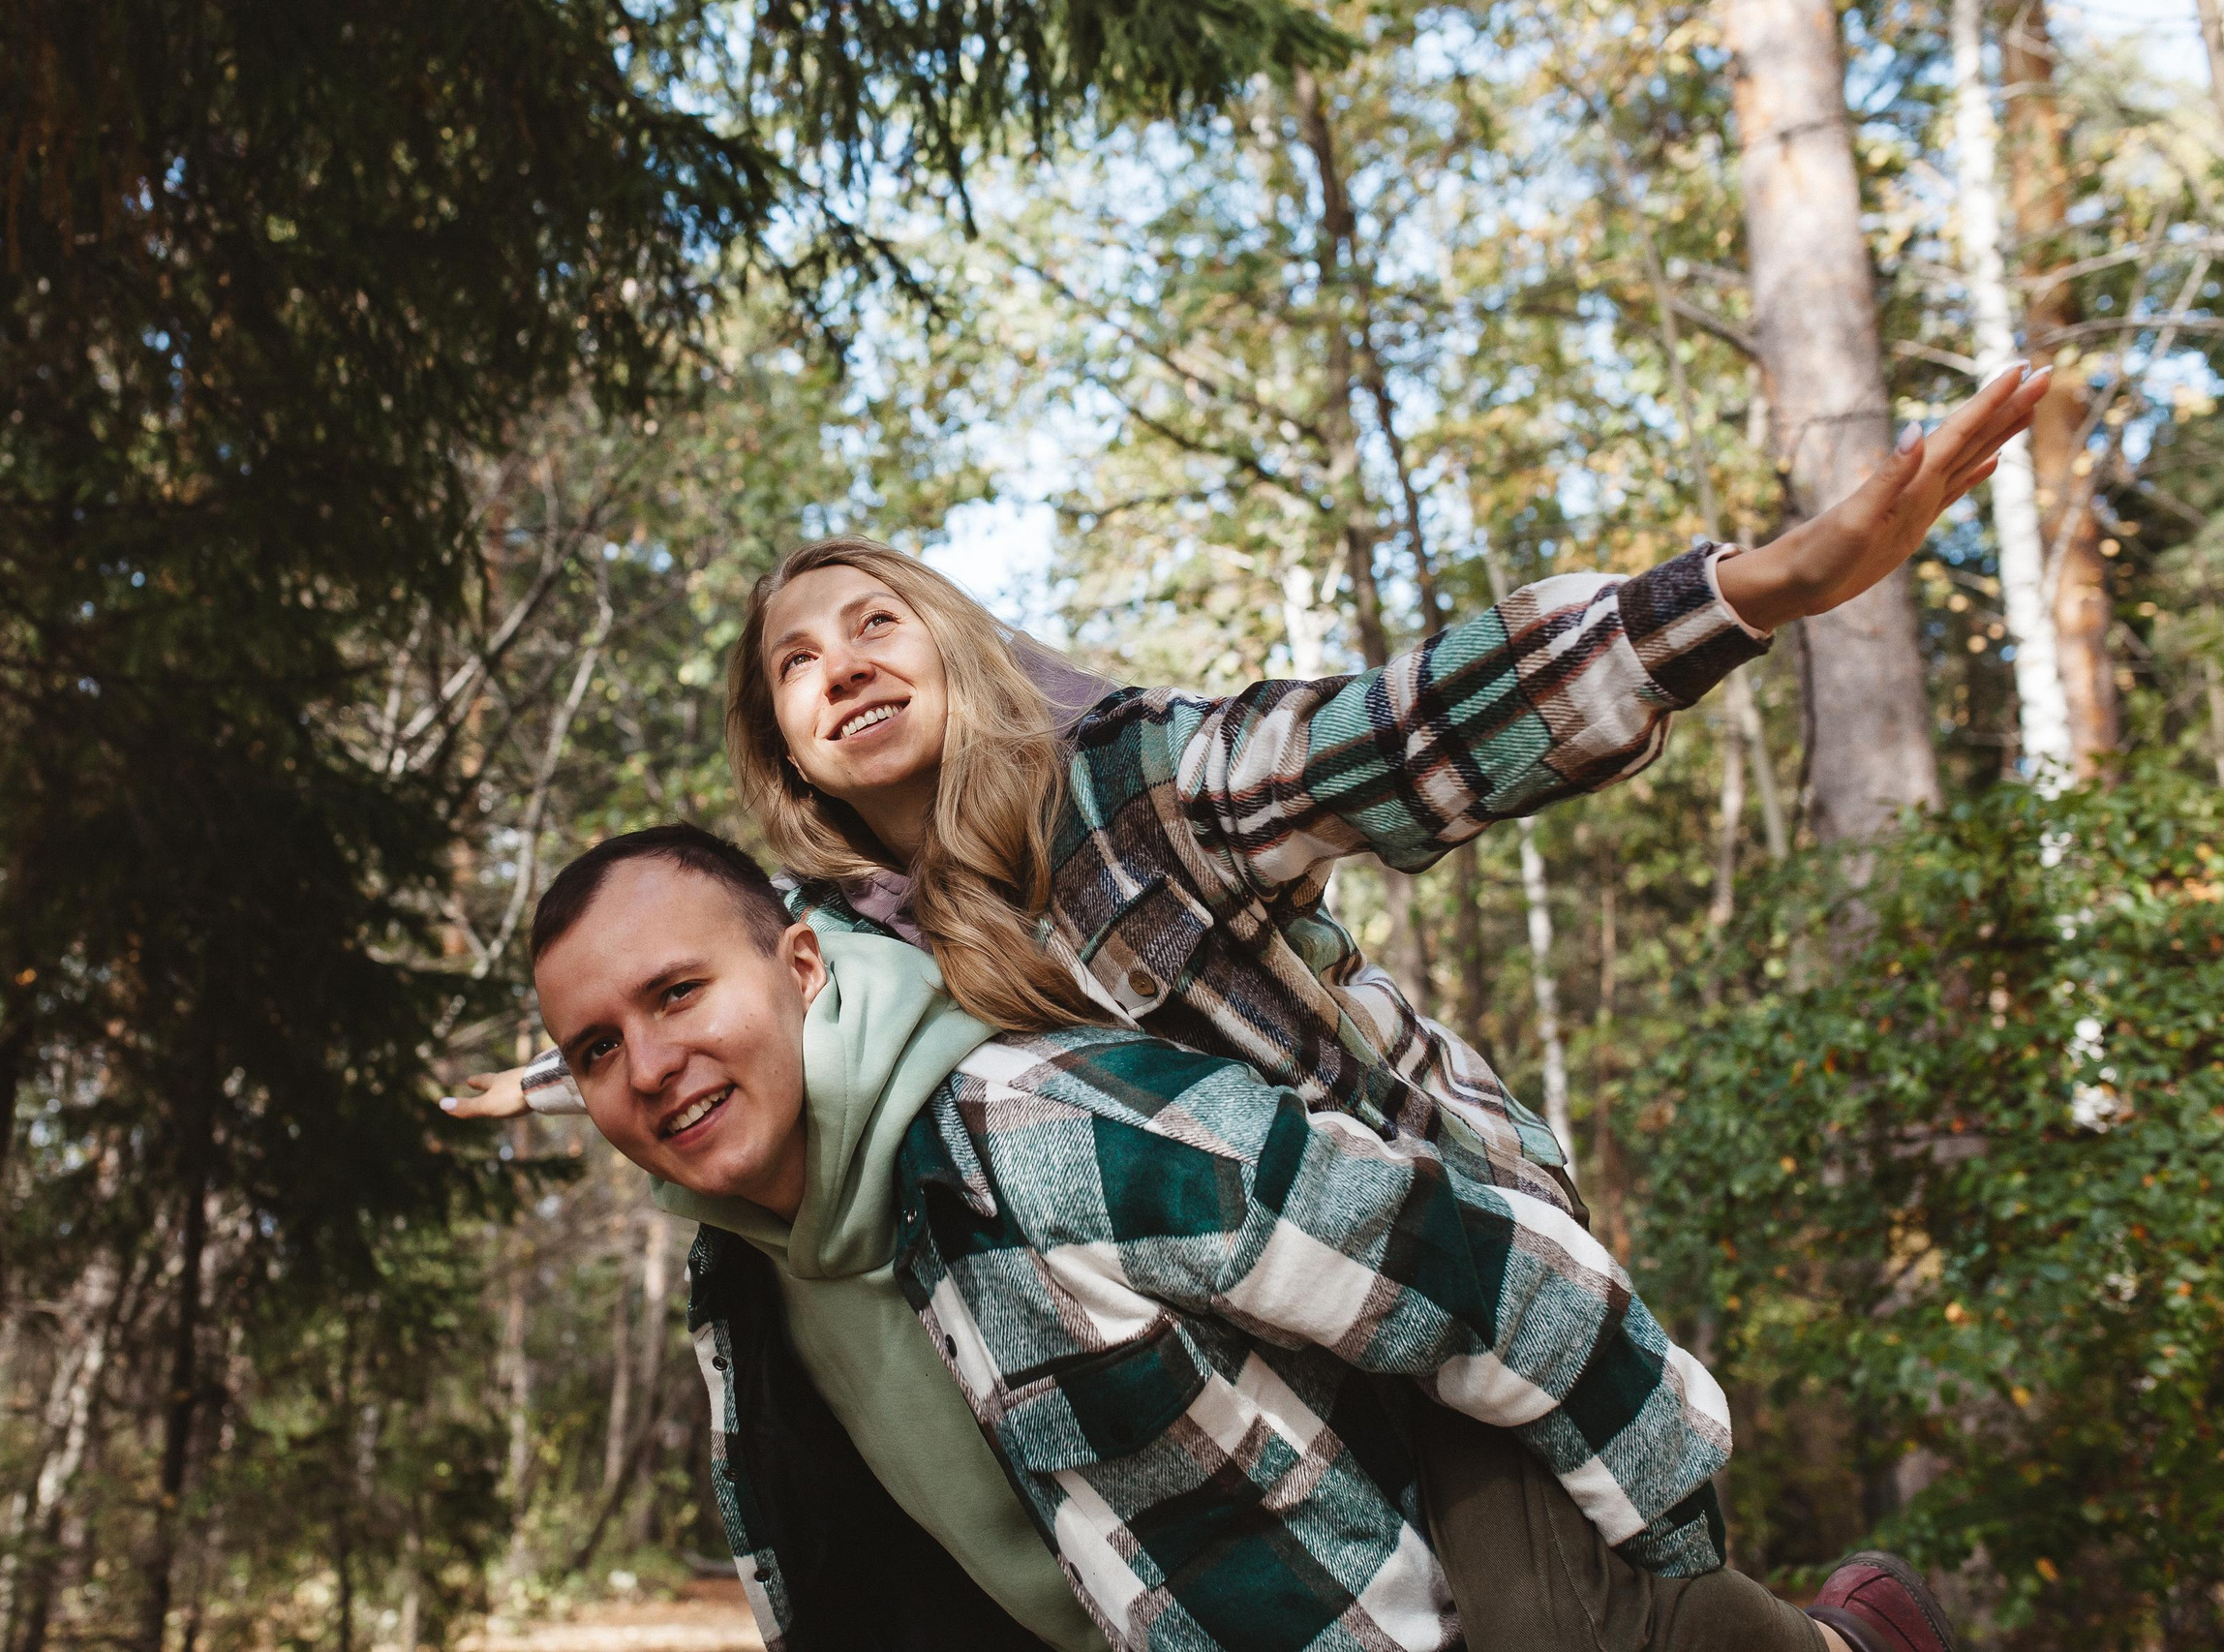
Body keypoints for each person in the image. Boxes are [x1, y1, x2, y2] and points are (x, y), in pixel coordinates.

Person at [456, 368, 2045, 1647]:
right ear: (784, 744)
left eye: (877, 622)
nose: (843, 664)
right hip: (1227, 1353)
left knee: (1564, 1620)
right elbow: (694, 1016)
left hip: (1408, 1252)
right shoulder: (855, 940)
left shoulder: (1140, 787)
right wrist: (546, 1078)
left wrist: (1758, 589)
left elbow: (1404, 728)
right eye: (797, 661)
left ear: (952, 646)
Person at [503, 823, 1954, 1652]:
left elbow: (1470, 1262)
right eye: (594, 1046)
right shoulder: (738, 1281)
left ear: (802, 966)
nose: (647, 1063)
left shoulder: (1033, 1126)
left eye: (679, 993)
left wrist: (1668, 1564)